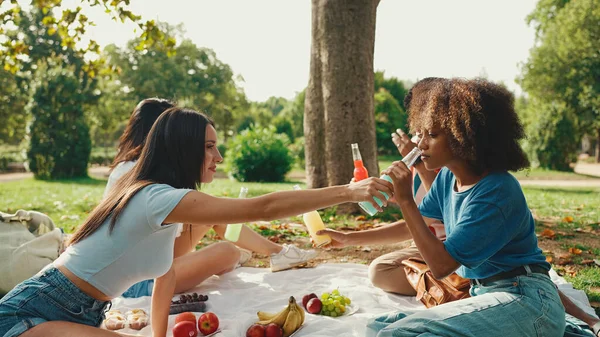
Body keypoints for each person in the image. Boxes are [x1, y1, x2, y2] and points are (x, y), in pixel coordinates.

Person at [0, 107, 394, 337]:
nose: (218, 156)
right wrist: (348, 191)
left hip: (85, 311)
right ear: (182, 150)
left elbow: (164, 278)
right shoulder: (156, 197)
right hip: (32, 310)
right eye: (209, 146)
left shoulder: (167, 207)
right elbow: (267, 206)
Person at [362, 77, 566, 336]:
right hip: (484, 294)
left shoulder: (497, 190)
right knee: (379, 325)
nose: (420, 144)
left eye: (432, 135)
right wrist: (350, 235)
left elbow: (441, 266)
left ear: (465, 137)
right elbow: (419, 224)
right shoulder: (448, 178)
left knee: (395, 334)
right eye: (420, 133)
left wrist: (406, 201)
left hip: (526, 301)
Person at [106, 99, 316, 299]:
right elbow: (263, 208)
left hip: (145, 264)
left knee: (214, 219)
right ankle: (271, 253)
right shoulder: (141, 176)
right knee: (227, 251)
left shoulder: (140, 168)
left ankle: (277, 252)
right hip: (137, 283)